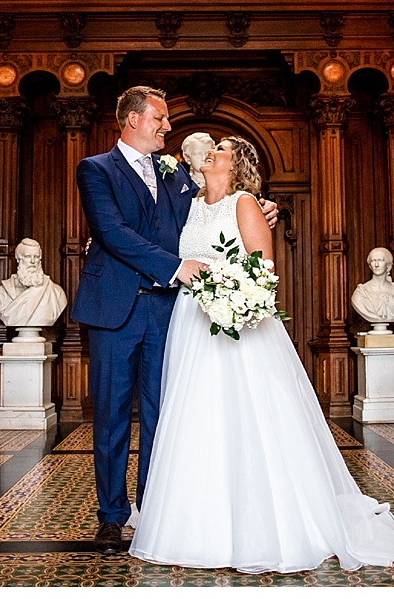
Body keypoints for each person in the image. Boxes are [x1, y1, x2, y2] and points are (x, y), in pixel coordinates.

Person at [129, 136, 394, 572]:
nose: (211, 151)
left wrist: (231, 301)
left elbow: (262, 273)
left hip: (235, 325)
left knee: (247, 419)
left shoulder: (245, 203)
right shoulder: (188, 206)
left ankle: (266, 525)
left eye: (223, 149)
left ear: (238, 164)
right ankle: (196, 525)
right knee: (195, 419)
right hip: (190, 325)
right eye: (210, 148)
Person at [74, 87, 276, 555]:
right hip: (113, 310)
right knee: (110, 418)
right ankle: (111, 518)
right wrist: (174, 267)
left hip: (169, 314)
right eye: (161, 119)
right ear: (133, 121)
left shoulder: (176, 179)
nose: (168, 127)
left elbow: (220, 204)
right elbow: (110, 232)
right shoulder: (95, 170)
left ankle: (155, 512)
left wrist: (265, 207)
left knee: (165, 417)